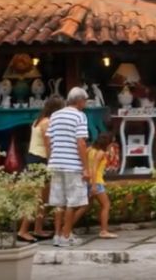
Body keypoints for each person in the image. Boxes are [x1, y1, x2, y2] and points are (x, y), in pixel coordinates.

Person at [17, 96, 64, 243]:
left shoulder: (38, 120)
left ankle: (38, 229)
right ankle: (23, 230)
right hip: (40, 159)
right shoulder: (47, 122)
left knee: (43, 198)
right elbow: (48, 144)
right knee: (37, 198)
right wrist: (52, 162)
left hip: (34, 157)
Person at [47, 87, 90, 248]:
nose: (85, 104)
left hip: (56, 162)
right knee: (73, 201)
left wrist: (51, 159)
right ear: (79, 101)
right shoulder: (80, 116)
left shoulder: (55, 115)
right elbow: (81, 143)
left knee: (59, 202)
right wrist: (86, 168)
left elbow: (49, 140)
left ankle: (57, 235)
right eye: (85, 100)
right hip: (72, 164)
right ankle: (66, 236)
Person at [86, 132, 117, 239]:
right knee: (106, 205)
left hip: (89, 181)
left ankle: (66, 228)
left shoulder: (90, 149)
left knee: (85, 206)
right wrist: (94, 185)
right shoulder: (101, 153)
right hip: (97, 181)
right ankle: (104, 230)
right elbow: (94, 168)